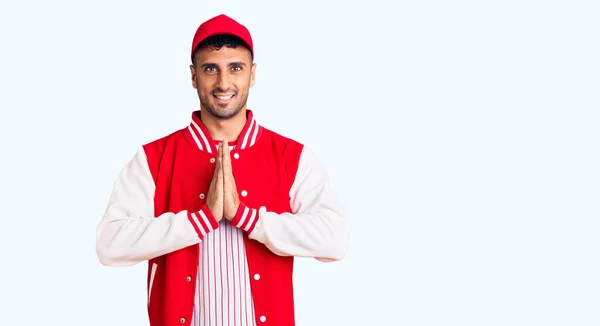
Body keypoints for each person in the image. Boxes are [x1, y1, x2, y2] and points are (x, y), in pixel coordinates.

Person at [95, 14, 350, 326]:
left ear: (252, 74)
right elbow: (109, 244)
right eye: (210, 68)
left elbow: (335, 240)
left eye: (236, 68)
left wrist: (246, 217)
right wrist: (201, 220)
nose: (223, 83)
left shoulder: (290, 156)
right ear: (193, 76)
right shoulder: (154, 158)